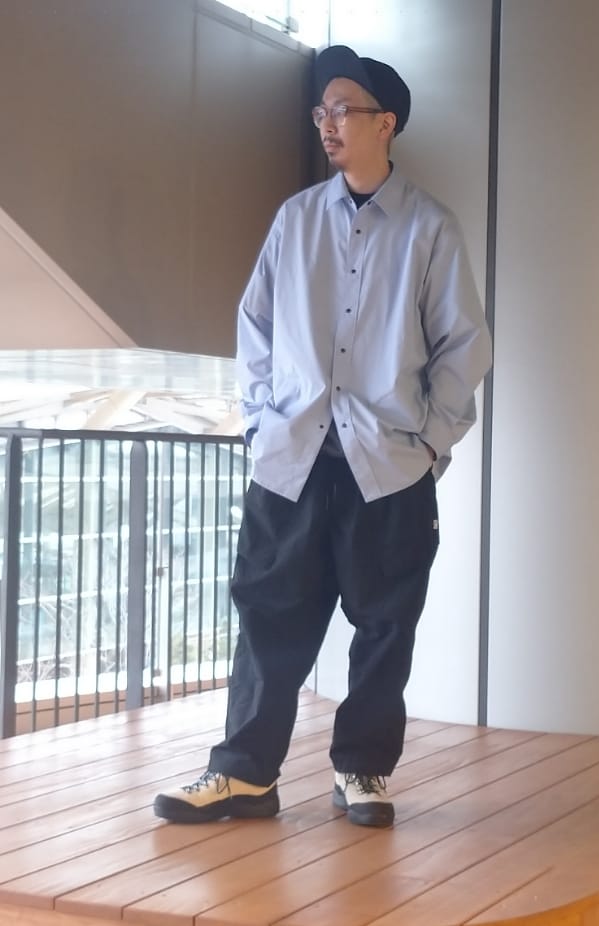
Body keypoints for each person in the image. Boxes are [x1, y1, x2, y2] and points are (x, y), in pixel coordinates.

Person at [154, 44, 492, 829]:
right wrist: (260, 423)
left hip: (388, 467)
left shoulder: (430, 229)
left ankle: (362, 771)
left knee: (384, 626)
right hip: (292, 460)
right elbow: (256, 327)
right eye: (322, 111)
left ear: (386, 123)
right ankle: (243, 774)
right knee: (268, 614)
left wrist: (428, 447)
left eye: (343, 109)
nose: (328, 124)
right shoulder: (296, 219)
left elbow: (464, 347)